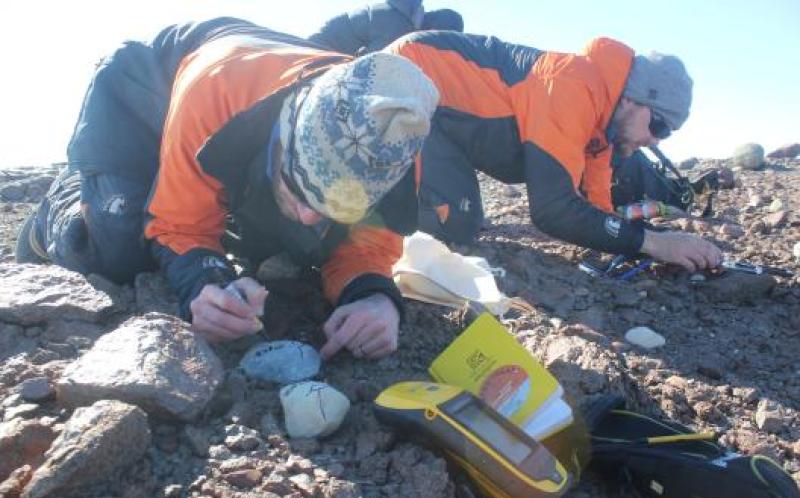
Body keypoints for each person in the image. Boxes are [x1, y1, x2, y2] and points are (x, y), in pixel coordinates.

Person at [16, 17, 439, 358]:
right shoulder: (220, 87)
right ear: (282, 137)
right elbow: (183, 226)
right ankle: (61, 207)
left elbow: (368, 249)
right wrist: (204, 285)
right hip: (146, 95)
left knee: (300, 244)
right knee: (120, 245)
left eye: (337, 204)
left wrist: (373, 298)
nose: (312, 216)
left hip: (237, 123)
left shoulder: (392, 138)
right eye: (300, 185)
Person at [389, 31, 722, 272]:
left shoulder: (602, 128)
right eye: (659, 126)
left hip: (446, 121)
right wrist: (653, 243)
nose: (656, 142)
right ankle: (367, 222)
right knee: (456, 223)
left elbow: (596, 212)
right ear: (634, 100)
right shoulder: (574, 86)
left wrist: (656, 239)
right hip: (410, 82)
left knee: (462, 219)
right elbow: (552, 210)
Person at [308, 0, 463, 56]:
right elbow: (378, 66)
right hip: (315, 53)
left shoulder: (401, 13)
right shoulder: (398, 25)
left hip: (323, 50)